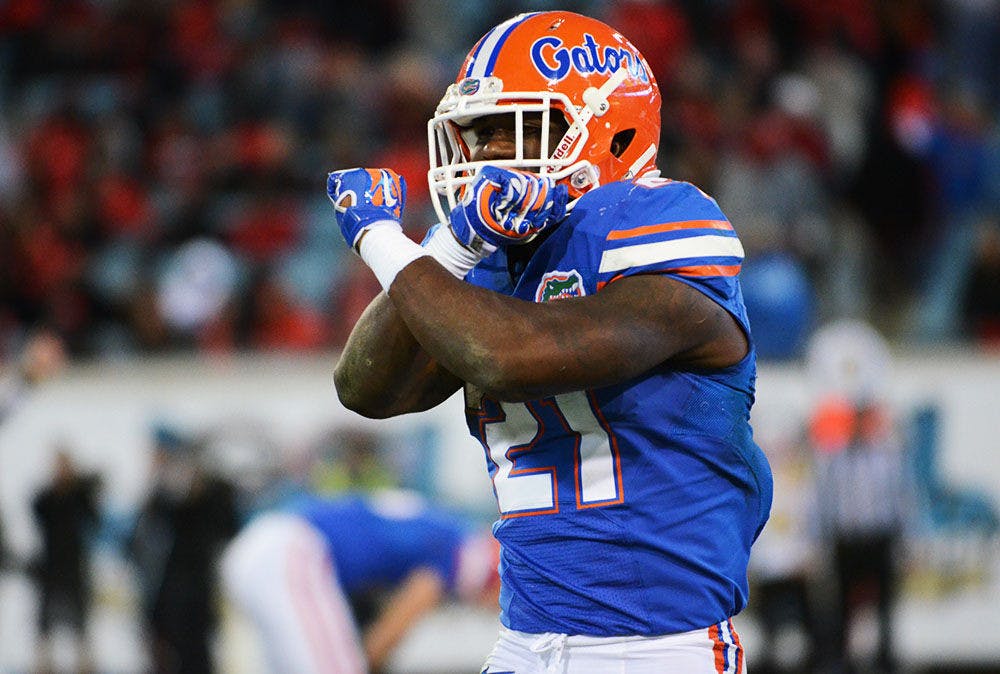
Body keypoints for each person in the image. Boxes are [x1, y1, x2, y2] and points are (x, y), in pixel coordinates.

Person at [326, 11, 772, 672]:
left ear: (607, 131)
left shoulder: (662, 224)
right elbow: (366, 388)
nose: (483, 156)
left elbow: (504, 357)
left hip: (657, 650)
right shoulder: (490, 258)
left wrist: (382, 240)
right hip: (522, 643)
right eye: (475, 134)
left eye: (516, 127)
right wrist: (449, 246)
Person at [221, 489, 500, 674]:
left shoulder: (446, 527)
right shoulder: (467, 556)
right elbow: (390, 632)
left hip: (263, 548)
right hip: (292, 552)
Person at [128, 426, 239, 674]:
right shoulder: (160, 494)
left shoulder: (212, 492)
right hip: (163, 591)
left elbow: (227, 527)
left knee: (195, 653)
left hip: (192, 589)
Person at [31, 448, 101, 674]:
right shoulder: (47, 497)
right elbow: (37, 510)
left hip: (73, 566)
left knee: (79, 619)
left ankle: (84, 663)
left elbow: (93, 518)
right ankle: (44, 663)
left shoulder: (79, 496)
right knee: (45, 621)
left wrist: (81, 488)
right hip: (50, 566)